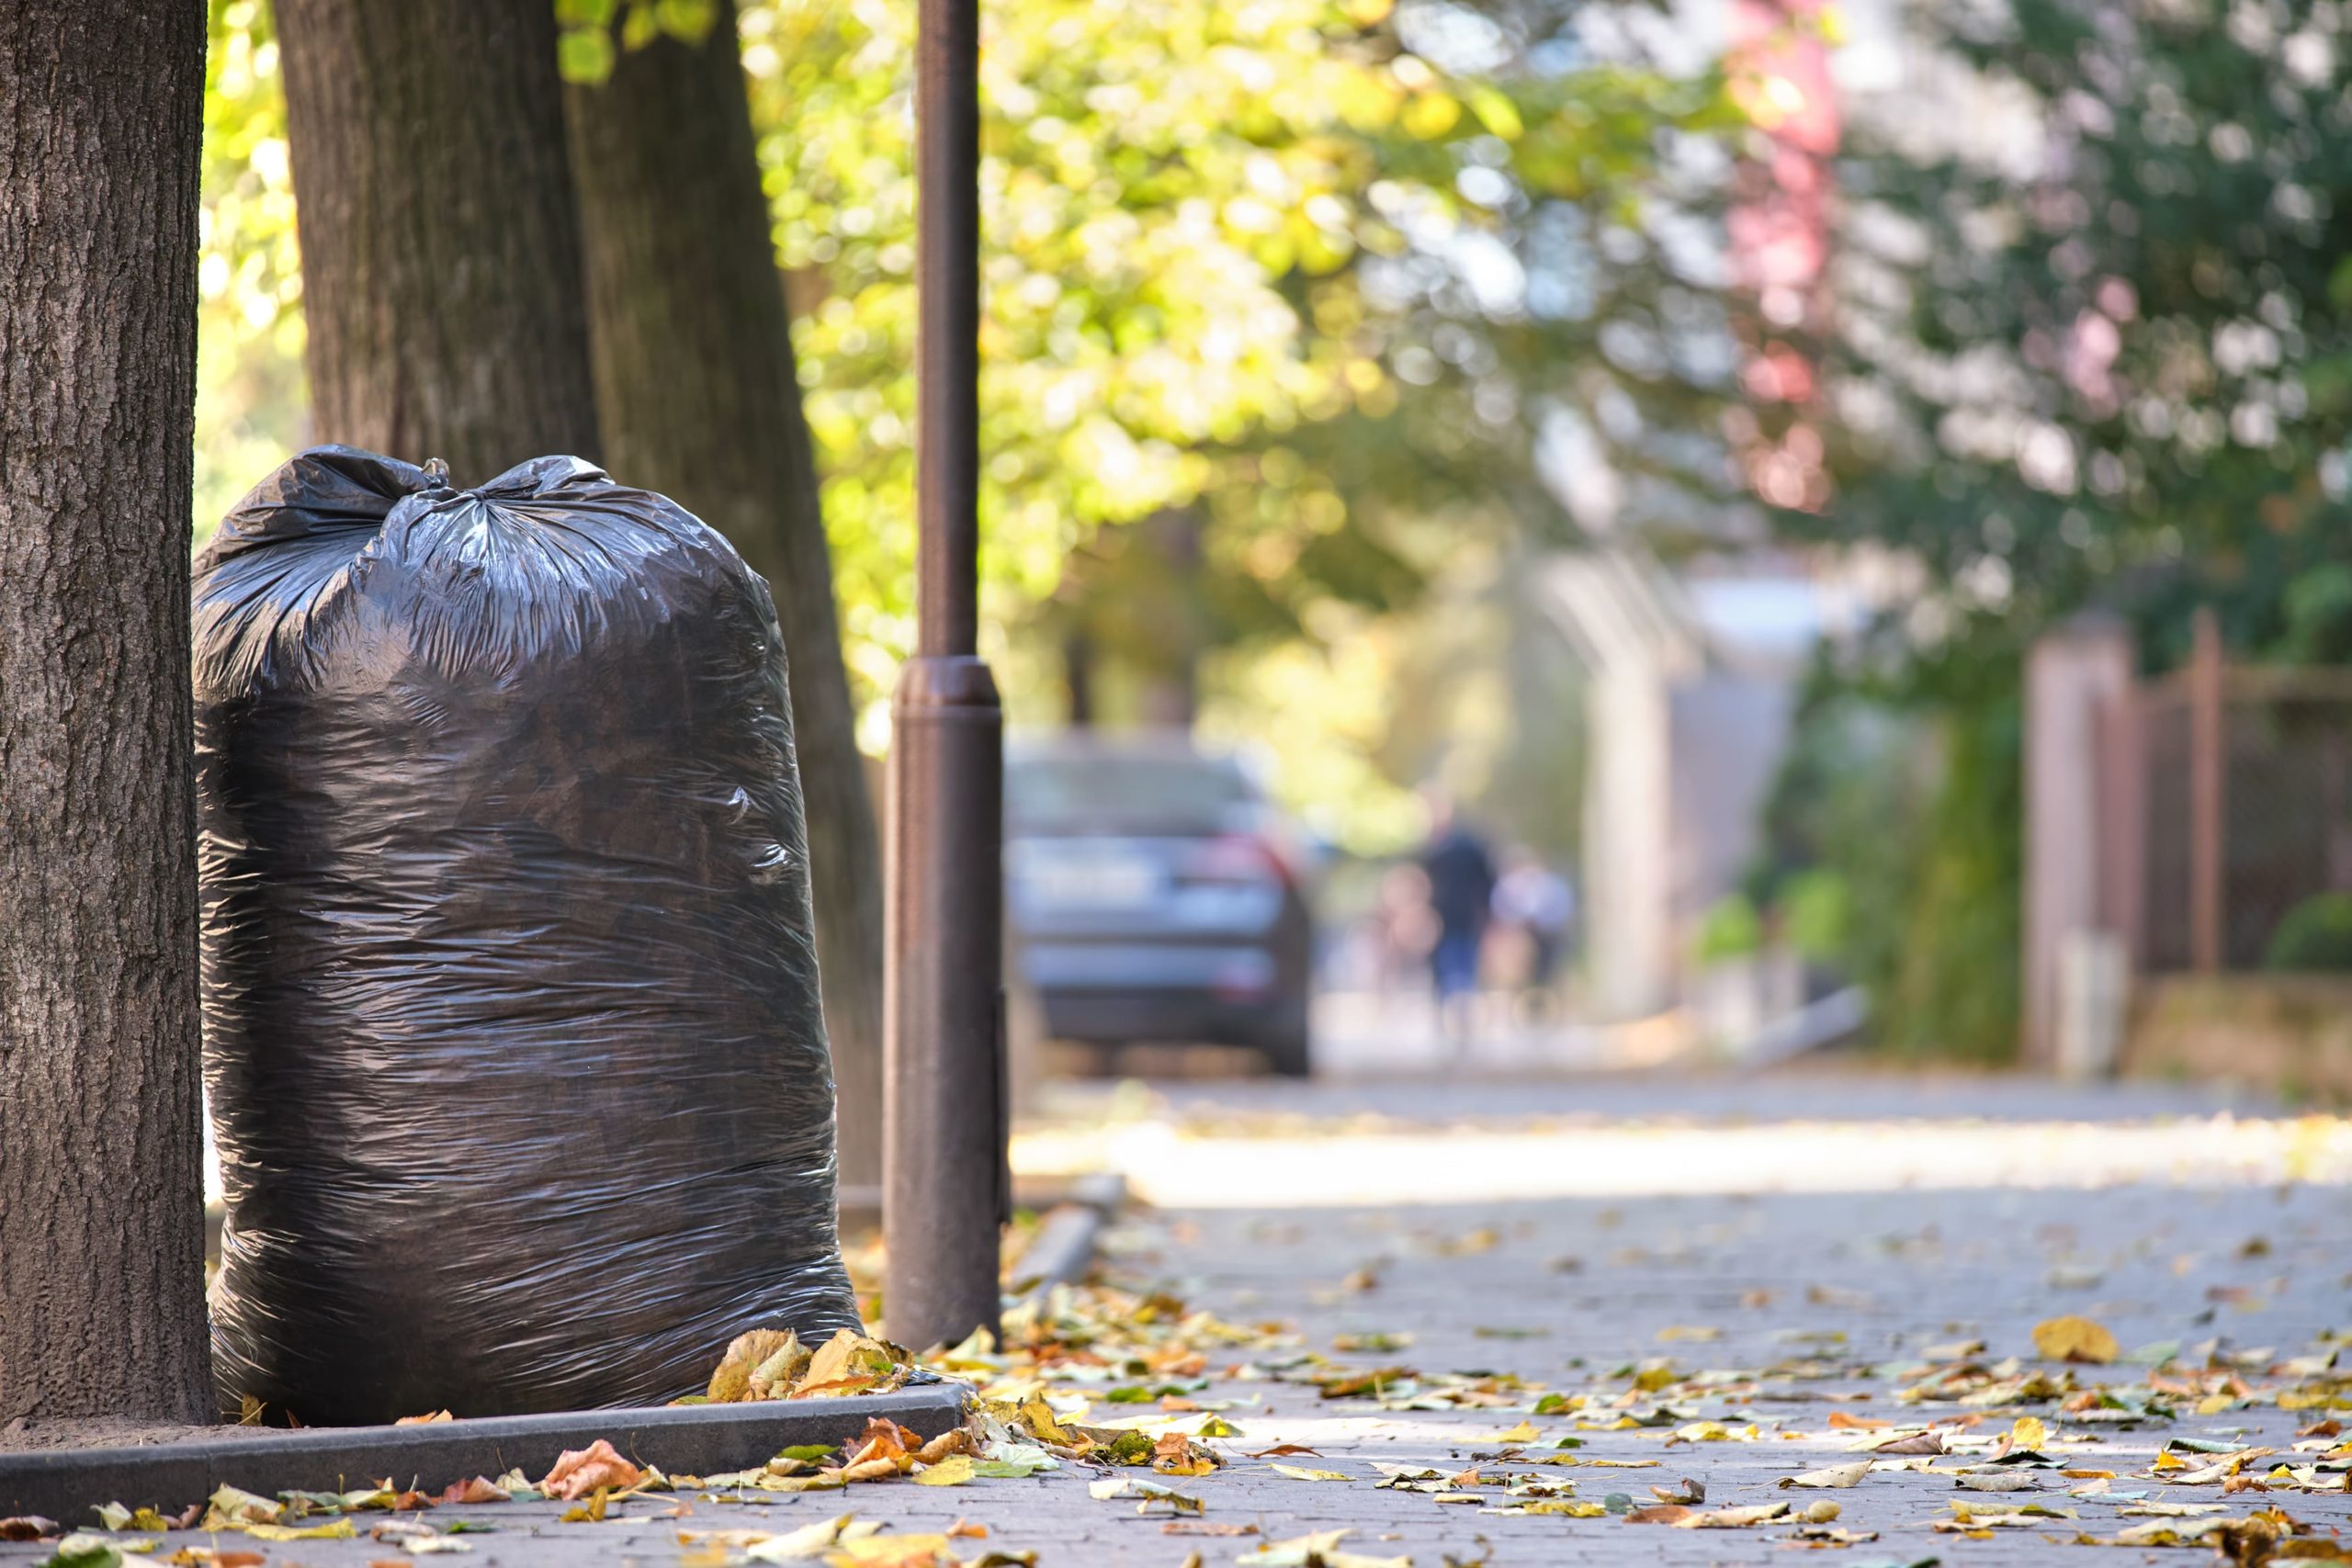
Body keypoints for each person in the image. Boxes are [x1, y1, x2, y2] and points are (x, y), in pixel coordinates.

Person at [1419, 794, 1498, 1036]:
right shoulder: (1433, 847)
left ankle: (1460, 1018)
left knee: (1460, 967)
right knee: (1449, 969)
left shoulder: (1458, 846)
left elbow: (1487, 881)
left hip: (1461, 917)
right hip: (1444, 918)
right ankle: (1451, 1018)